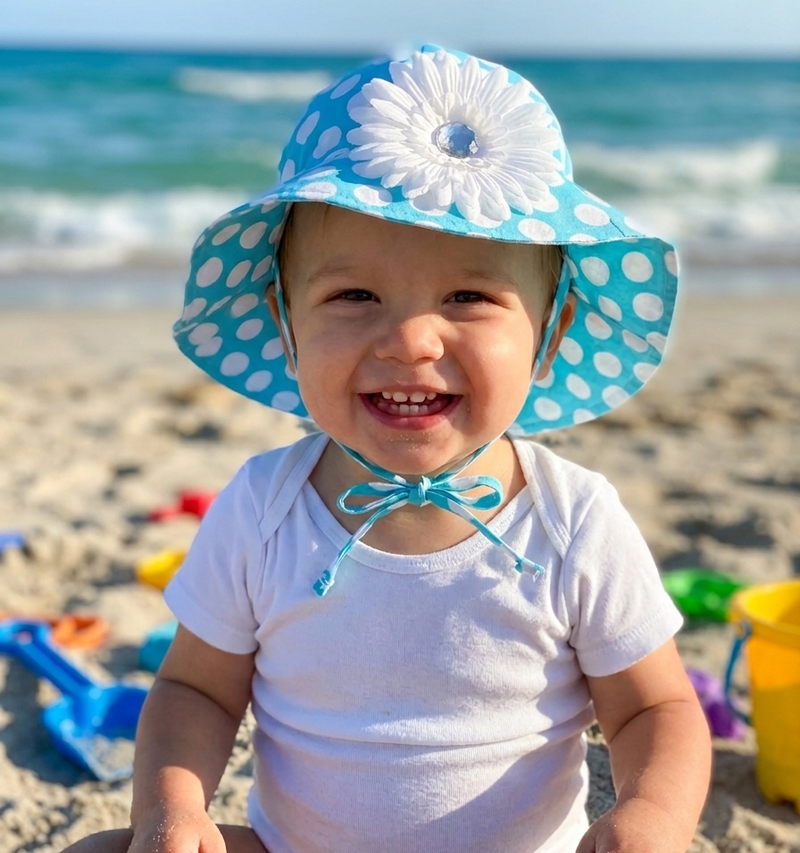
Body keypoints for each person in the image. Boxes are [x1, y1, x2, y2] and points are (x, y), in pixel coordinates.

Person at [65, 45, 711, 853]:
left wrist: (650, 818)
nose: (409, 340)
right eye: (354, 295)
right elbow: (196, 688)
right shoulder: (267, 505)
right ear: (285, 319)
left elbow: (656, 707)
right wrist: (174, 813)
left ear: (551, 336)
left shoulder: (572, 518)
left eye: (469, 296)